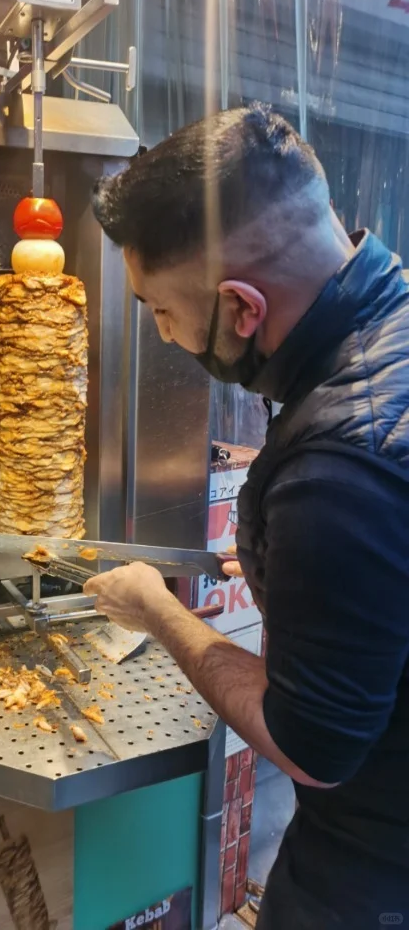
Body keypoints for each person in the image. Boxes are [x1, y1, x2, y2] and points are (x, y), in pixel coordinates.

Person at [87, 104, 409, 929]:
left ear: (241, 308)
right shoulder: (392, 322)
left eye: (160, 310)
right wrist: (294, 574)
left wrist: (156, 612)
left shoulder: (338, 471)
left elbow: (312, 749)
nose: (164, 335)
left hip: (370, 874)